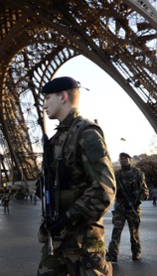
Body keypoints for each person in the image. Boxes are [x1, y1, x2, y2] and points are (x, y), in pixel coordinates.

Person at [37, 76, 116, 275]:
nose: (44, 105)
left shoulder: (86, 133)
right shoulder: (56, 140)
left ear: (63, 96)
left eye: (47, 98)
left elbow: (105, 189)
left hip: (84, 243)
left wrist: (68, 217)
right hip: (57, 240)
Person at [107, 152, 149, 262]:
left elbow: (145, 190)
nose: (123, 160)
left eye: (125, 158)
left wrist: (138, 201)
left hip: (133, 208)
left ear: (129, 160)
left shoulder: (138, 174)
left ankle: (136, 252)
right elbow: (111, 189)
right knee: (116, 231)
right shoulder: (116, 175)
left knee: (134, 232)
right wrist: (116, 194)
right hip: (120, 208)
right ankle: (112, 254)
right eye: (121, 158)